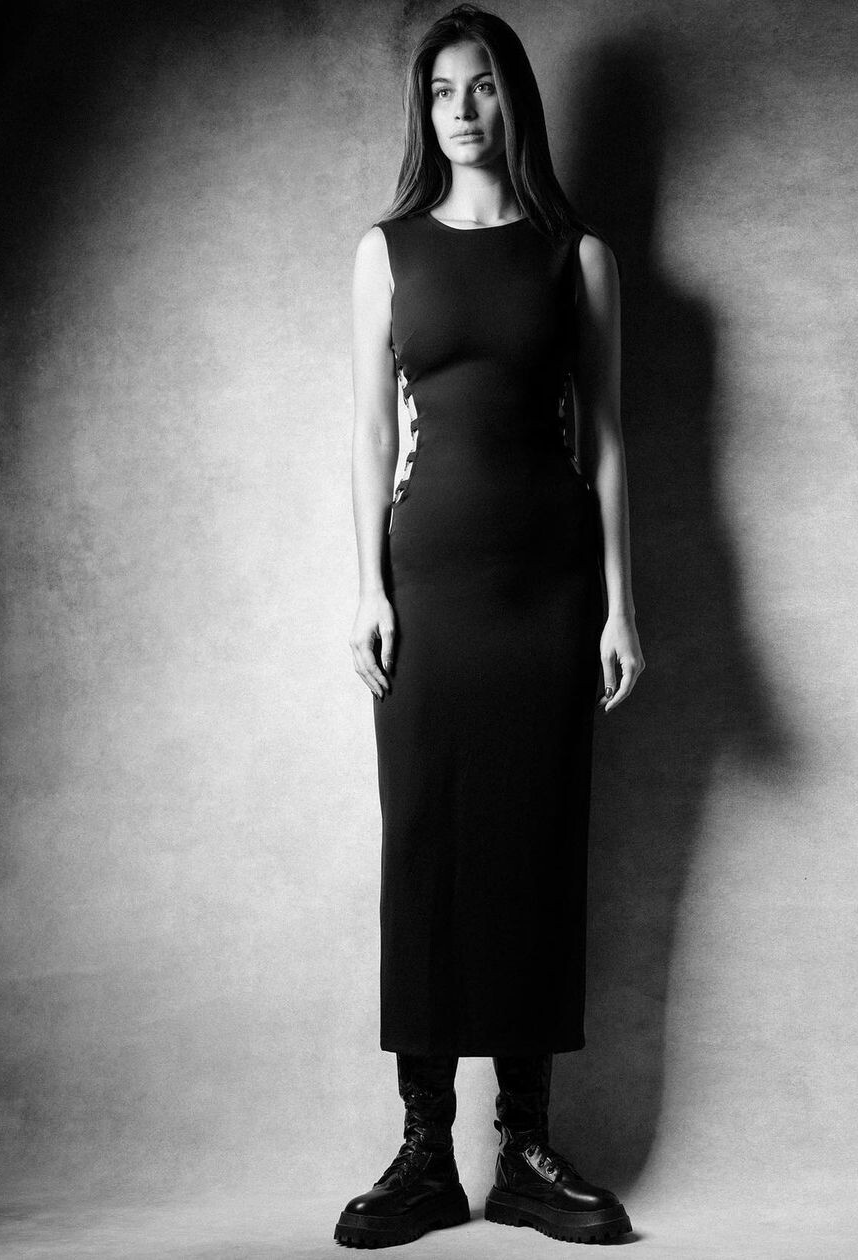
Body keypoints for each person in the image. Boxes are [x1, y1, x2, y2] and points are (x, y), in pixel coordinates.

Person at [338, 3, 644, 1248]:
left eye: (482, 87)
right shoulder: (386, 252)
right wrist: (368, 589)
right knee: (425, 847)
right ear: (424, 111)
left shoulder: (579, 257)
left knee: (533, 847)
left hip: (549, 592)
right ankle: (425, 1152)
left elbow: (609, 440)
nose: (462, 110)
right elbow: (369, 434)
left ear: (515, 99)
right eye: (440, 91)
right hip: (430, 587)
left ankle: (522, 1150)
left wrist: (623, 603)